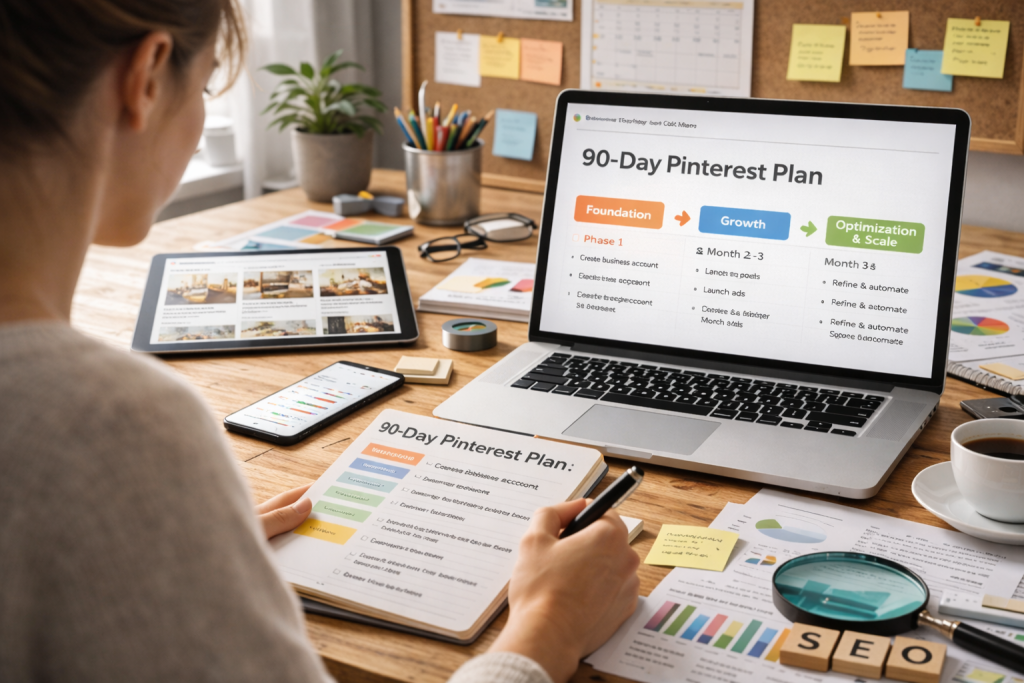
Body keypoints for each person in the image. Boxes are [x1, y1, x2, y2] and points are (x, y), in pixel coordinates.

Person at [0, 2, 640, 682]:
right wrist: (550, 623)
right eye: (209, 80)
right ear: (148, 78)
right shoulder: (108, 423)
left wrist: (176, 545)